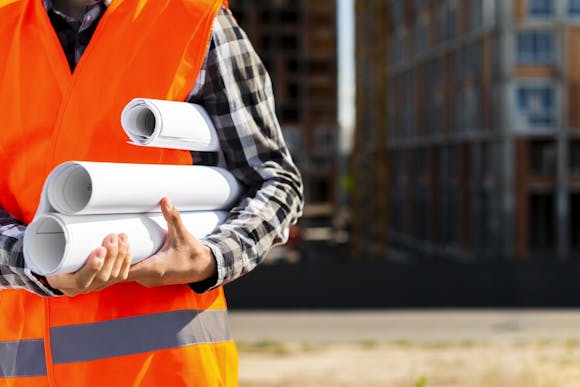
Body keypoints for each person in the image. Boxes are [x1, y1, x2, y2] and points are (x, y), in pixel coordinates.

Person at [0, 0, 303, 385]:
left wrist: (210, 258)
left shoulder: (192, 20)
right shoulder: (4, 30)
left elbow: (274, 181)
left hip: (165, 371)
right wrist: (35, 265)